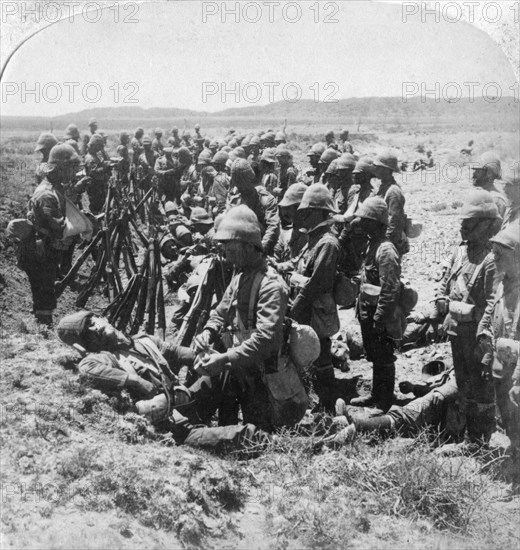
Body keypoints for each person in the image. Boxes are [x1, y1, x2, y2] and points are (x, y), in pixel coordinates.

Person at [56, 311, 266, 450]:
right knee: (241, 437)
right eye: (88, 333)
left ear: (102, 318)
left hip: (187, 400)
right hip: (174, 427)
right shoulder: (104, 357)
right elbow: (87, 368)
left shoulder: (143, 341)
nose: (95, 328)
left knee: (224, 370)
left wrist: (208, 357)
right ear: (87, 344)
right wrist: (135, 381)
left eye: (93, 322)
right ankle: (266, 442)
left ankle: (228, 425)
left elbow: (177, 352)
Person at [193, 206, 290, 431]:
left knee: (258, 435)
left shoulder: (270, 285)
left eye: (229, 245)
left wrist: (225, 358)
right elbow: (220, 312)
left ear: (248, 247)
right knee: (228, 426)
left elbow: (266, 340)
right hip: (238, 365)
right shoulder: (240, 276)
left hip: (262, 376)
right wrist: (207, 333)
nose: (224, 251)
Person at [436, 190, 499, 446]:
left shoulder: (491, 259)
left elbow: (492, 305)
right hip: (456, 330)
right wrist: (440, 298)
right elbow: (445, 280)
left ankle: (477, 440)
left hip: (475, 335)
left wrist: (485, 344)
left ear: (486, 224)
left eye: (469, 222)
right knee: (463, 383)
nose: (463, 227)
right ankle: (463, 434)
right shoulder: (460, 252)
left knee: (480, 387)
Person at [290, 184, 340, 409]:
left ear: (320, 212)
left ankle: (328, 405)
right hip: (307, 308)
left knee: (321, 356)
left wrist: (295, 307)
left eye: (307, 212)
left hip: (317, 310)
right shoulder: (314, 239)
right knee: (308, 353)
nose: (303, 216)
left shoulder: (328, 243)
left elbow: (316, 283)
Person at [349, 197, 401, 412]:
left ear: (376, 223)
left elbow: (390, 288)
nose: (361, 223)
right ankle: (375, 394)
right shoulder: (373, 244)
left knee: (384, 356)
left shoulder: (386, 250)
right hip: (367, 311)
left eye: (366, 220)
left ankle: (384, 400)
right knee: (374, 353)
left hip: (379, 314)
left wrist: (380, 316)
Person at [331, 362, 463, 445]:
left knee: (403, 420)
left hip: (461, 413)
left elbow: (471, 379)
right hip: (450, 400)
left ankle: (352, 429)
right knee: (402, 418)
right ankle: (356, 425)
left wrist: (444, 391)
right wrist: (415, 388)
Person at [25, 144, 80, 326]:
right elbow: (57, 227)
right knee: (44, 296)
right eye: (71, 168)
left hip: (46, 250)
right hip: (40, 251)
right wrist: (79, 225)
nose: (74, 172)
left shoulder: (56, 188)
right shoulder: (47, 194)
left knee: (46, 293)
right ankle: (43, 334)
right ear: (59, 168)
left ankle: (42, 327)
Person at [478, 223, 520, 456]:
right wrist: (483, 331)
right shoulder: (502, 283)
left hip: (517, 366)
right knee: (505, 407)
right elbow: (491, 311)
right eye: (493, 252)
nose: (494, 258)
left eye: (500, 254)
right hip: (500, 362)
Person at [227, 159, 280, 256]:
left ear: (250, 178)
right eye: (237, 181)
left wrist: (261, 248)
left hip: (260, 247)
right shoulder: (234, 201)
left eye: (242, 180)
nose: (239, 185)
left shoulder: (266, 200)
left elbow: (273, 226)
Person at [373, 150, 409, 256]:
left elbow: (395, 222)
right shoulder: (383, 187)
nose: (376, 169)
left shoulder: (393, 191)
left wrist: (385, 244)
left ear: (387, 170)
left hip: (389, 241)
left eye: (379, 167)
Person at [272, 182, 308, 271]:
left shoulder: (312, 236)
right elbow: (276, 255)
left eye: (289, 207)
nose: (284, 212)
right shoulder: (285, 233)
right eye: (283, 207)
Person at [471, 151, 507, 221]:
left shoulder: (496, 200)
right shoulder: (483, 196)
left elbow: (492, 230)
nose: (473, 175)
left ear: (489, 173)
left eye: (477, 171)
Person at [84, 134, 111, 214]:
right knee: (96, 207)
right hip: (94, 187)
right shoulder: (90, 158)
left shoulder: (95, 156)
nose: (100, 149)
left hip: (99, 185)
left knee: (102, 205)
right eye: (99, 147)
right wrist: (105, 167)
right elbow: (94, 172)